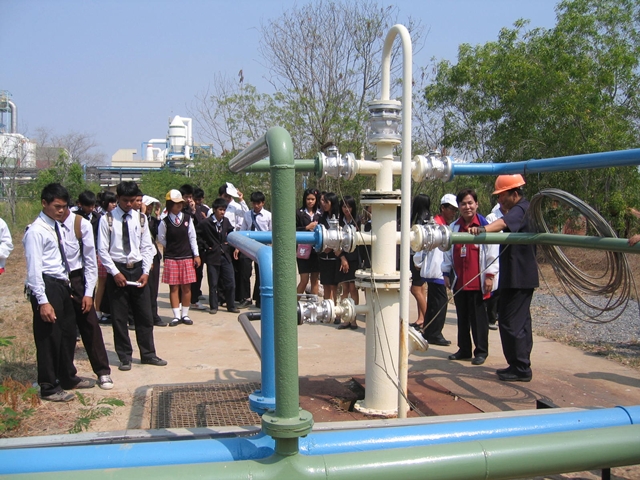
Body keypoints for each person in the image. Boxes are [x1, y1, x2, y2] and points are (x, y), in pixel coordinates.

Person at [23, 183, 96, 402]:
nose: (61, 210)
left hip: (63, 283)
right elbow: (34, 270)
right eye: (57, 206)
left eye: (64, 206)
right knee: (49, 337)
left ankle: (67, 376)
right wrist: (43, 301)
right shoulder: (36, 231)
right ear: (44, 203)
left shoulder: (56, 226)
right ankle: (48, 385)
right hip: (47, 285)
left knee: (67, 334)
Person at [469, 174, 538, 382]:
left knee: (510, 321)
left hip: (519, 276)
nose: (499, 200)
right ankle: (519, 364)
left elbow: (501, 223)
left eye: (502, 196)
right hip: (517, 275)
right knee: (521, 321)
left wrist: (482, 229)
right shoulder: (523, 208)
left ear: (514, 194)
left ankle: (520, 367)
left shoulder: (521, 209)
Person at [97, 181, 167, 371]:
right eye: (125, 200)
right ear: (118, 198)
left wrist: (145, 272)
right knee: (119, 317)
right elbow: (102, 250)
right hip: (117, 268)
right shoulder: (107, 220)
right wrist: (115, 272)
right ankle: (124, 356)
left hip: (138, 269)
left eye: (132, 200)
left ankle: (148, 354)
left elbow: (147, 247)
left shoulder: (141, 219)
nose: (129, 204)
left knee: (144, 314)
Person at [59, 204, 113, 389]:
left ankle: (103, 371)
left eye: (62, 207)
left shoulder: (80, 224)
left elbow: (90, 261)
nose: (59, 211)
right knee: (63, 330)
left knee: (90, 326)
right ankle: (64, 373)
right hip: (57, 280)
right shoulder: (45, 225)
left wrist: (88, 293)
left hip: (77, 279)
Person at [442, 189, 499, 366]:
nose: (467, 207)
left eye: (470, 203)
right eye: (463, 204)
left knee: (479, 319)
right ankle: (464, 349)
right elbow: (447, 253)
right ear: (459, 206)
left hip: (478, 282)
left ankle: (481, 351)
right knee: (462, 317)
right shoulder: (454, 228)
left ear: (476, 204)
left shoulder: (485, 225)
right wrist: (446, 273)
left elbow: (492, 252)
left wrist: (490, 276)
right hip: (460, 281)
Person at [415, 194, 458, 347]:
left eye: (455, 210)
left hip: (438, 269)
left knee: (435, 302)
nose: (453, 213)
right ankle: (434, 333)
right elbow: (423, 245)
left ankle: (429, 331)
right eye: (451, 209)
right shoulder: (436, 225)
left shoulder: (445, 225)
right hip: (436, 269)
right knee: (439, 303)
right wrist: (419, 262)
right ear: (443, 208)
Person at [158, 189, 201, 327]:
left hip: (186, 256)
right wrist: (171, 247)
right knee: (174, 288)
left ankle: (185, 314)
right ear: (170, 204)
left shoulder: (187, 219)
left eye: (180, 203)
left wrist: (196, 254)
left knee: (186, 287)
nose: (179, 206)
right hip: (172, 258)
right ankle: (176, 315)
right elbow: (162, 239)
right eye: (176, 203)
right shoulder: (164, 222)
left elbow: (192, 237)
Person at [197, 198, 240, 314]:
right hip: (212, 256)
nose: (222, 212)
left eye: (224, 210)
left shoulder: (226, 221)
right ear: (214, 210)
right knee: (213, 283)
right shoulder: (206, 223)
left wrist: (229, 244)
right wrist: (206, 246)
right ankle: (213, 306)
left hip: (225, 255)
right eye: (220, 209)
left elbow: (231, 233)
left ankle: (231, 305)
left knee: (230, 281)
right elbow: (197, 236)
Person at [218, 184, 251, 307]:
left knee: (238, 270)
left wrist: (241, 200)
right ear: (220, 196)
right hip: (221, 243)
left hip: (235, 242)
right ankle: (222, 297)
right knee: (222, 272)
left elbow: (246, 214)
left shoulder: (236, 207)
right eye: (225, 196)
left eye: (229, 196)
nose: (227, 198)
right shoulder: (215, 208)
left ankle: (239, 296)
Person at [238, 191, 271, 309]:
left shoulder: (268, 215)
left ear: (263, 203)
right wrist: (238, 246)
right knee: (244, 272)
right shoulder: (247, 215)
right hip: (248, 245)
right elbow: (243, 229)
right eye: (254, 203)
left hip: (262, 246)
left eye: (258, 203)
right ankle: (246, 298)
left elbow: (271, 232)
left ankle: (259, 298)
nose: (256, 205)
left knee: (261, 273)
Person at [141, 195, 167, 327]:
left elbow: (158, 233)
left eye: (152, 205)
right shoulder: (137, 219)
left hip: (154, 255)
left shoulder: (152, 220)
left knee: (153, 287)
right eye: (148, 205)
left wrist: (157, 216)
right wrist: (142, 214)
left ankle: (154, 315)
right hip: (141, 257)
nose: (150, 208)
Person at [337, 195, 360, 330]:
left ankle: (354, 319)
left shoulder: (358, 221)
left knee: (353, 288)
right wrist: (342, 258)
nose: (347, 209)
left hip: (355, 259)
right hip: (341, 258)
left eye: (349, 206)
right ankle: (345, 318)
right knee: (345, 288)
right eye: (344, 206)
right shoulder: (339, 223)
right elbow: (336, 243)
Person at [408, 194, 431, 329]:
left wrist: (418, 261)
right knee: (421, 289)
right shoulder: (428, 218)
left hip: (417, 258)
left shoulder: (421, 220)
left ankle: (428, 319)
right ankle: (421, 319)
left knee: (415, 289)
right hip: (423, 259)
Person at [95, 191, 117, 324]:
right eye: (111, 202)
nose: (114, 205)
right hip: (103, 255)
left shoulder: (113, 217)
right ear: (104, 203)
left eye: (115, 202)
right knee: (102, 284)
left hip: (112, 255)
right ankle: (97, 311)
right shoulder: (101, 218)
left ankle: (108, 310)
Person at [296, 188, 321, 295]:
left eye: (312, 199)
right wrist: (307, 227)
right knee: (304, 280)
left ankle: (313, 302)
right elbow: (293, 230)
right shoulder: (299, 213)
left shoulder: (320, 213)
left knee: (315, 280)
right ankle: (293, 303)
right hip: (302, 250)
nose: (310, 201)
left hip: (316, 251)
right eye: (308, 199)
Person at [317, 192, 341, 307]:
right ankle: (327, 308)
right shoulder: (322, 218)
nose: (323, 204)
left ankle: (336, 309)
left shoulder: (339, 218)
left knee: (334, 285)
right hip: (324, 256)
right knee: (326, 284)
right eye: (322, 202)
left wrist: (331, 247)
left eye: (326, 202)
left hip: (335, 256)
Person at [484, 203, 505, 331]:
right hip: (494, 257)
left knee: (501, 291)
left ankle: (497, 315)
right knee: (493, 292)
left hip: (504, 259)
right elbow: (490, 245)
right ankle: (490, 318)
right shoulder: (492, 218)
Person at [190, 187, 210, 309]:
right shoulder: (187, 209)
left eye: (199, 199)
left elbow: (207, 224)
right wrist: (193, 210)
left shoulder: (205, 209)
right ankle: (192, 296)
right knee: (192, 272)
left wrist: (203, 217)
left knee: (199, 271)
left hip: (201, 244)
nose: (197, 202)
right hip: (190, 244)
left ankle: (196, 293)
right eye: (195, 199)